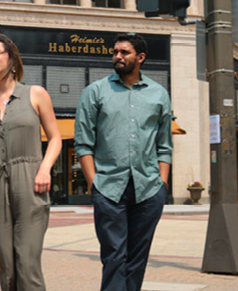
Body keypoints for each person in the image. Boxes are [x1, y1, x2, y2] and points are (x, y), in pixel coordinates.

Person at [74, 33, 173, 291]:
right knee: (114, 257)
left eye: (124, 52)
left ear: (140, 57)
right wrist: (94, 183)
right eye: (115, 51)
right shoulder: (95, 91)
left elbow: (164, 146)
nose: (117, 56)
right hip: (108, 188)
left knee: (138, 259)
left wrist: (162, 184)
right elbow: (83, 143)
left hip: (149, 189)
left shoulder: (159, 94)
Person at [0, 34, 63, 291]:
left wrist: (44, 169)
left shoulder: (35, 94)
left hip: (30, 184)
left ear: (11, 58)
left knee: (27, 264)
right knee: (6, 270)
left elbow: (55, 139)